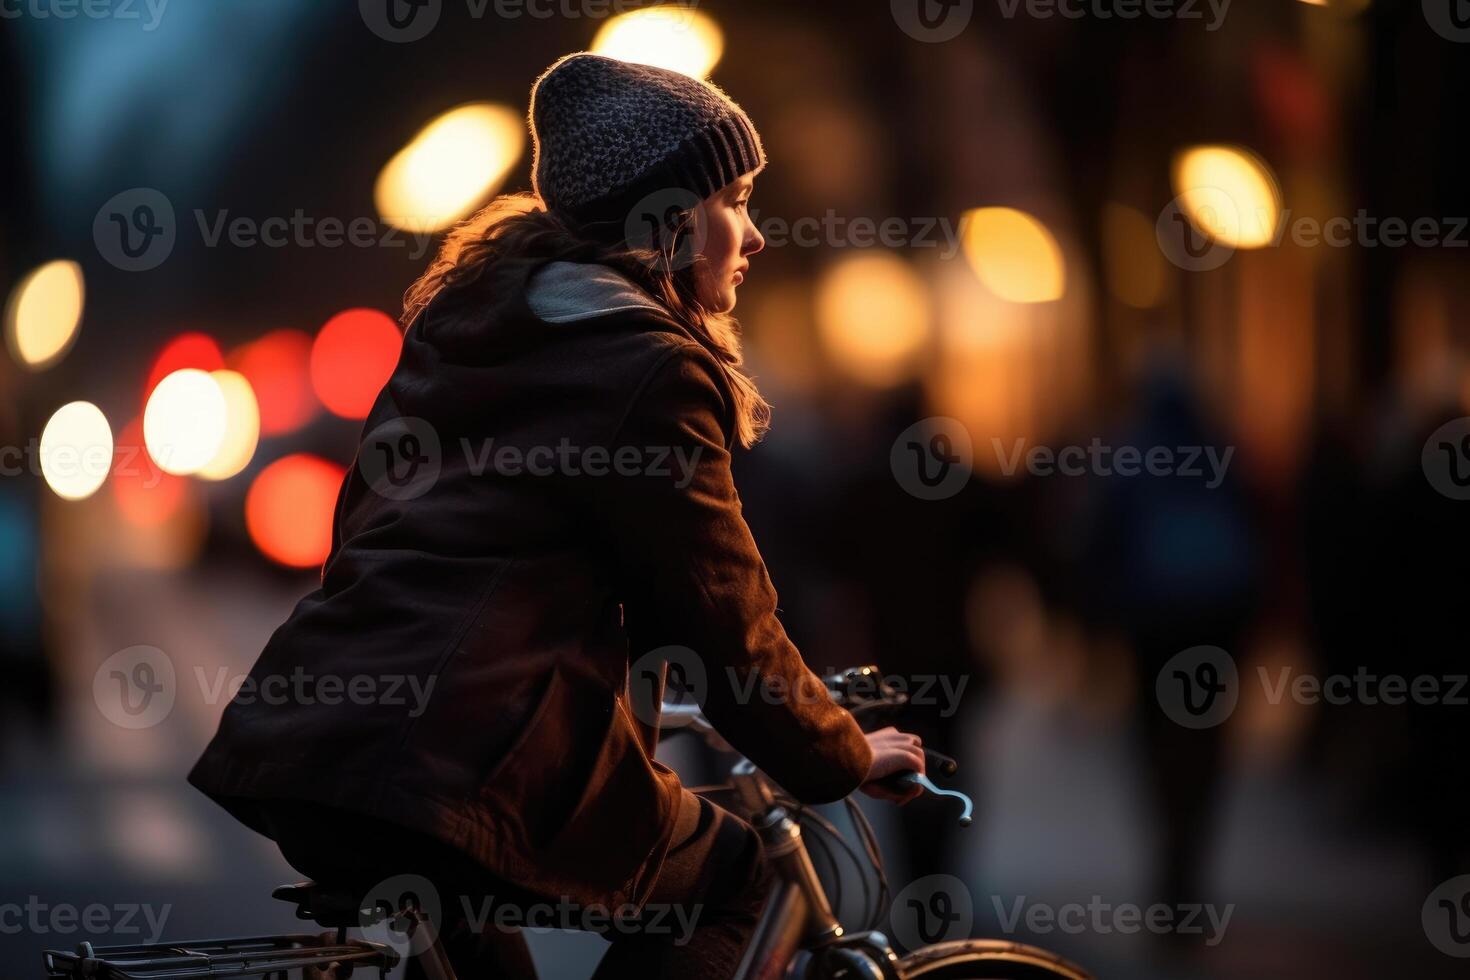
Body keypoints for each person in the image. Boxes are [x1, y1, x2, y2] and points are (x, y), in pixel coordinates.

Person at [187, 52, 927, 979]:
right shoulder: (650, 370)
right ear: (670, 221)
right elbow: (721, 621)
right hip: (450, 763)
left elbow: (379, 533)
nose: (754, 233)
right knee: (741, 876)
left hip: (325, 744)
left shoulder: (467, 330)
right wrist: (841, 752)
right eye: (735, 198)